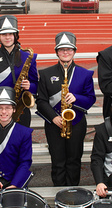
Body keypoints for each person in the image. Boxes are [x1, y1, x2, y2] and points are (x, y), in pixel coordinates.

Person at [36, 31, 96, 186]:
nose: (65, 52)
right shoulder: (45, 73)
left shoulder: (85, 74)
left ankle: (73, 194)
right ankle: (58, 195)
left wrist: (77, 98)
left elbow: (90, 99)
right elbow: (41, 101)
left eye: (69, 49)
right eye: (62, 50)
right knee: (57, 162)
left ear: (74, 51)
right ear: (57, 52)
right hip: (53, 124)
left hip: (76, 124)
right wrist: (53, 117)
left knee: (74, 161)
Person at [0, 15, 38, 127]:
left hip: (20, 111)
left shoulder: (28, 57)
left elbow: (36, 85)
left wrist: (30, 86)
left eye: (11, 34)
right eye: (4, 34)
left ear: (16, 36)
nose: (7, 37)